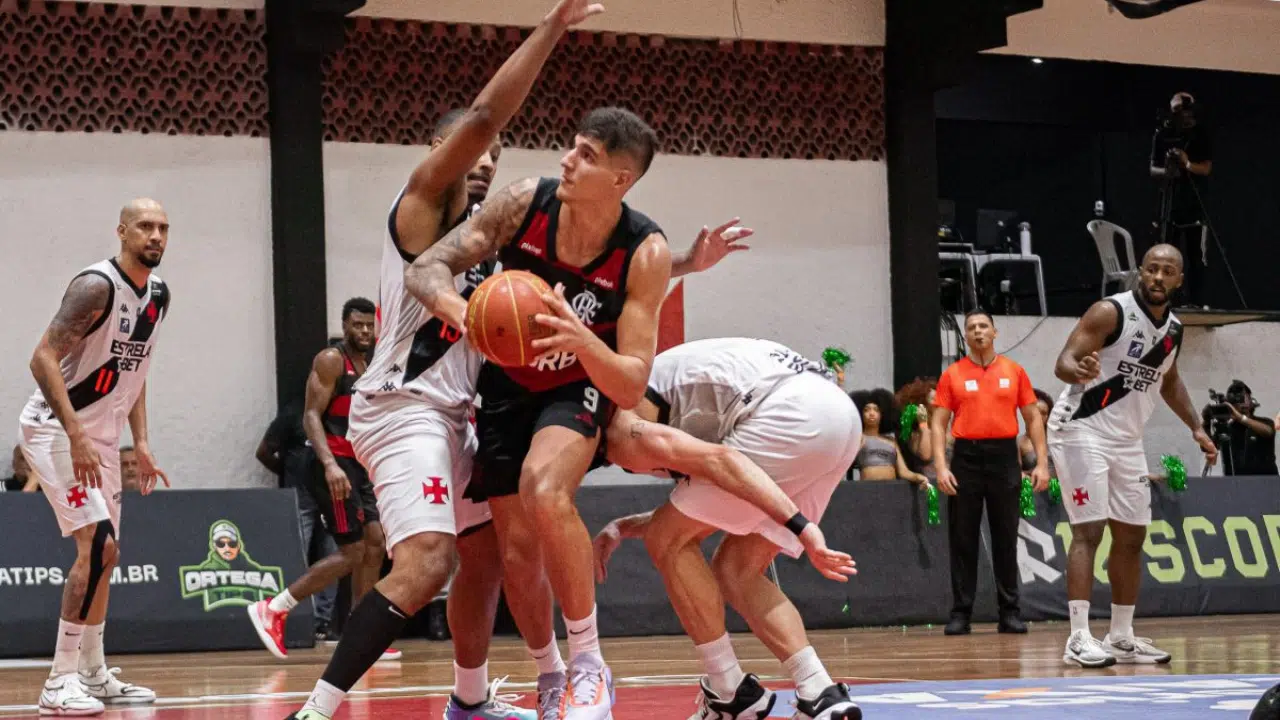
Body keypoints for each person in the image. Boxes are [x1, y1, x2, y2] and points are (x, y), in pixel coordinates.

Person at [283, 4, 605, 719]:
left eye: (495, 156)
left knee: (483, 553)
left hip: (456, 414)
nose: (487, 159)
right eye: (472, 151)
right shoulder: (420, 210)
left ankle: (468, 699)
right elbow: (488, 115)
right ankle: (317, 710)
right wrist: (551, 30)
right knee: (427, 561)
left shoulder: (488, 241)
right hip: (403, 409)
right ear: (441, 150)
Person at [407, 101, 733, 717]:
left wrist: (583, 339)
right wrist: (470, 318)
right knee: (517, 552)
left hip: (581, 382)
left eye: (587, 156)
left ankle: (590, 663)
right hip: (505, 386)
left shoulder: (644, 249)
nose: (568, 159)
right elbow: (427, 270)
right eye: (573, 146)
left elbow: (633, 382)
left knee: (546, 488)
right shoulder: (524, 203)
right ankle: (551, 674)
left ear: (620, 180)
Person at [592, 337, 864, 720]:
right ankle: (819, 690)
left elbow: (724, 465)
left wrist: (802, 528)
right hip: (839, 416)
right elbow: (709, 497)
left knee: (667, 541)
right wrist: (624, 526)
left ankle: (729, 692)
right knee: (736, 570)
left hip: (790, 414)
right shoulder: (661, 383)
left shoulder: (626, 419)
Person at [18, 198, 172, 714]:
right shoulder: (95, 287)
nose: (155, 236)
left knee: (109, 557)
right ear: (122, 232)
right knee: (98, 544)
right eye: (145, 227)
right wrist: (76, 433)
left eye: (163, 228)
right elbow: (41, 358)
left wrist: (142, 443)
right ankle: (58, 682)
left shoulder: (158, 295)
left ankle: (93, 673)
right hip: (56, 429)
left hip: (102, 436)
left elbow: (135, 373)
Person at [1050, 243, 1217, 668]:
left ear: (1179, 280)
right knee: (1089, 530)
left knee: (1132, 536)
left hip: (1126, 440)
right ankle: (1078, 637)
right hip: (1081, 428)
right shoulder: (1110, 312)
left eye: (1168, 272)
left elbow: (1170, 381)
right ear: (1141, 272)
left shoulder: (1174, 330)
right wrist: (1078, 369)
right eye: (1152, 269)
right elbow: (1064, 361)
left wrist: (1196, 426)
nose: (1159, 277)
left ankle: (1121, 636)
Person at [249, 297, 397, 659]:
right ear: (345, 326)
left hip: (361, 465)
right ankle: (275, 607)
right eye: (356, 325)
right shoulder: (332, 361)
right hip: (332, 465)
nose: (363, 331)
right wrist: (329, 464)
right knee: (353, 552)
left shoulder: (376, 362)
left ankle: (359, 634)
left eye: (368, 325)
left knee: (376, 543)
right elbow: (311, 416)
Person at [931, 311, 1048, 636]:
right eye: (971, 327)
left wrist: (1041, 463)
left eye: (983, 326)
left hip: (1003, 458)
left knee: (1006, 537)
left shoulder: (1014, 372)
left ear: (995, 332)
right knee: (962, 538)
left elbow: (1033, 418)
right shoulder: (952, 374)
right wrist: (941, 466)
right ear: (965, 336)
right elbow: (939, 424)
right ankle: (960, 613)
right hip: (966, 458)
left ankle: (1010, 612)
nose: (978, 331)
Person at [1149, 92, 1212, 307]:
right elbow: (1152, 169)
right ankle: (1168, 301)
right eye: (1176, 111)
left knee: (1195, 256)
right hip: (1169, 203)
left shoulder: (1200, 134)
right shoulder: (1162, 135)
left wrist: (1186, 164)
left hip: (1194, 204)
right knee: (1168, 254)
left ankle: (1197, 302)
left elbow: (1206, 168)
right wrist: (1168, 171)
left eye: (1184, 111)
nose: (1181, 116)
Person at [848, 388, 929, 485]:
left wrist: (917, 477)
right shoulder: (860, 438)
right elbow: (846, 463)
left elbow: (903, 472)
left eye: (876, 410)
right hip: (867, 489)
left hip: (891, 489)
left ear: (883, 414)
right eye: (866, 410)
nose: (871, 413)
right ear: (860, 414)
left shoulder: (891, 441)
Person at [1019, 389, 1057, 478]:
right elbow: (1015, 472)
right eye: (1037, 413)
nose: (1039, 417)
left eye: (1044, 413)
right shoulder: (1019, 442)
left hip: (1061, 487)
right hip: (1033, 487)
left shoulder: (1057, 439)